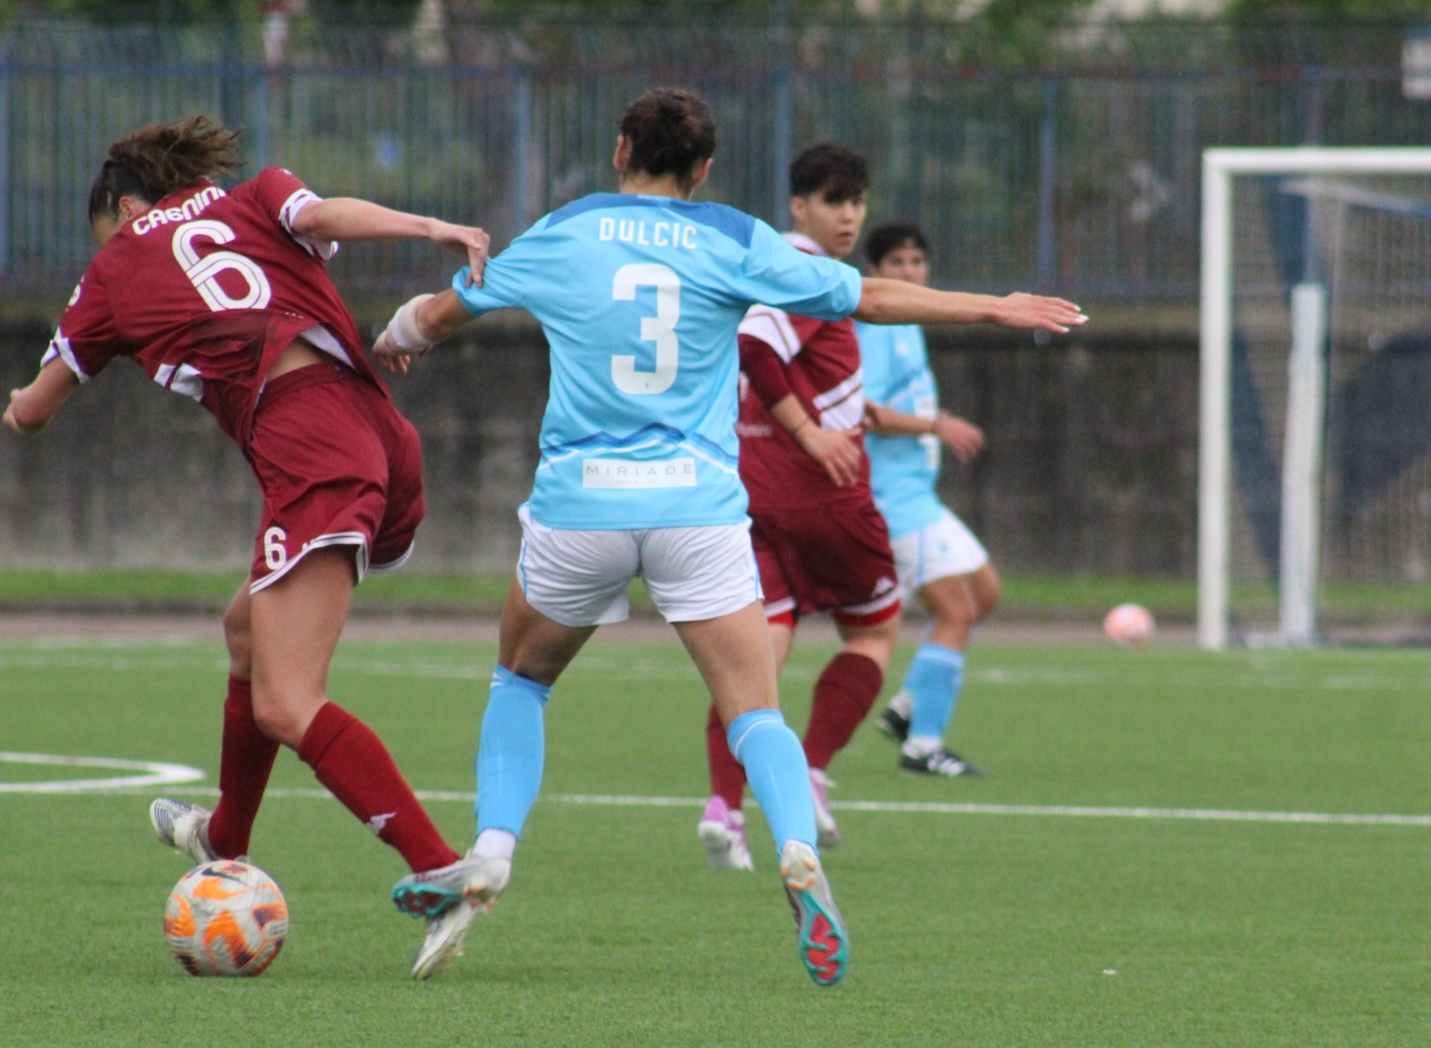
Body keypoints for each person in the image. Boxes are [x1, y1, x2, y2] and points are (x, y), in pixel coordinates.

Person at [371, 88, 1086, 986]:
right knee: (755, 710)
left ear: (620, 146)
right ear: (704, 169)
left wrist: (393, 340)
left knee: (521, 678)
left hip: (580, 509)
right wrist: (994, 307)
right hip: (697, 512)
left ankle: (492, 851)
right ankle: (796, 850)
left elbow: (437, 315)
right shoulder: (735, 238)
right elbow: (863, 296)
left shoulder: (568, 228)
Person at [0, 115, 493, 974]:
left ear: (121, 208)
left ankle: (441, 870)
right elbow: (327, 215)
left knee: (286, 702)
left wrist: (15, 401)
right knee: (245, 632)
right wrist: (431, 227)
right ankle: (225, 836)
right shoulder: (254, 195)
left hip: (312, 450)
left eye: (106, 231)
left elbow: (35, 410)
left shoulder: (111, 270)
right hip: (380, 433)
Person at [696, 141, 901, 870]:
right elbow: (757, 348)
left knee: (751, 666)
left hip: (752, 495)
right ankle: (810, 770)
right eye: (833, 201)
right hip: (826, 500)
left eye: (857, 202)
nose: (848, 216)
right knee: (876, 631)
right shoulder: (811, 272)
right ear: (799, 206)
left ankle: (724, 808)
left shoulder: (753, 264)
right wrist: (813, 434)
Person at [858, 221, 1000, 777]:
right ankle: (922, 747)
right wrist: (935, 425)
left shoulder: (911, 325)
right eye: (897, 264)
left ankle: (906, 708)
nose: (910, 272)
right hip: (890, 500)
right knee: (956, 611)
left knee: (985, 593)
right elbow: (863, 410)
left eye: (918, 261)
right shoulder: (875, 330)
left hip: (919, 495)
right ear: (876, 273)